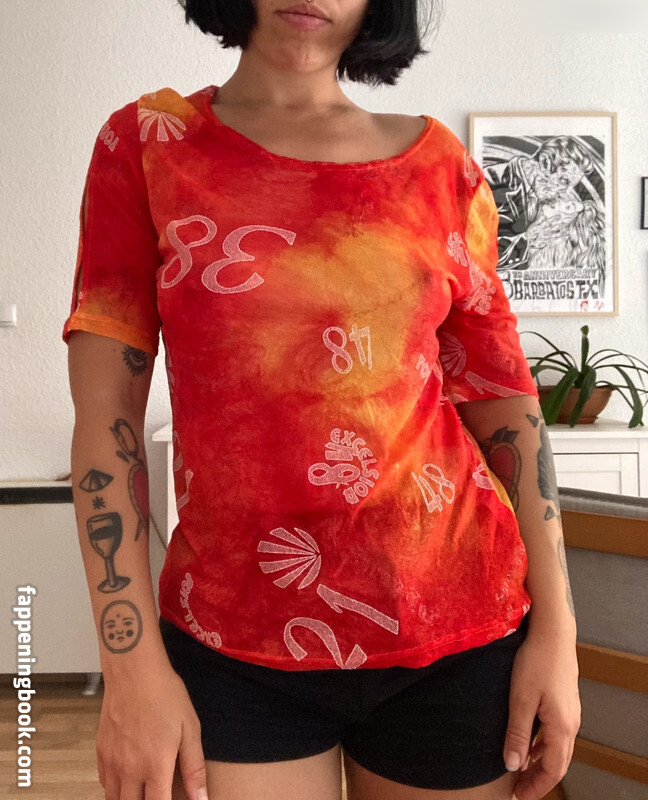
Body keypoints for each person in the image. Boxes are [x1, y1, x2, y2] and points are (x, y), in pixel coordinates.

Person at [63, 2, 581, 799]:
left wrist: (559, 631)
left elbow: (505, 401)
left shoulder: (440, 167)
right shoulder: (147, 146)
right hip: (232, 638)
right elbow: (107, 422)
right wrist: (129, 667)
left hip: (458, 625)